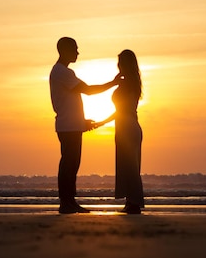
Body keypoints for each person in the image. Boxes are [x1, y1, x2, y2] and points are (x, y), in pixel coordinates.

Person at [49, 37, 121, 214]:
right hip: (68, 126)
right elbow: (87, 90)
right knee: (69, 163)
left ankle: (69, 201)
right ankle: (66, 202)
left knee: (72, 163)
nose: (78, 52)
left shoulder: (62, 72)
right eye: (75, 49)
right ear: (65, 50)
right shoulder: (62, 72)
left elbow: (71, 101)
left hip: (71, 124)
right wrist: (113, 83)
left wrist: (81, 122)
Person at [95, 49, 145, 214]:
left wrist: (101, 122)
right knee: (127, 165)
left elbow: (122, 111)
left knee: (130, 166)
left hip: (127, 126)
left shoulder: (128, 84)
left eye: (120, 63)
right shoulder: (131, 83)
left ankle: (134, 202)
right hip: (126, 126)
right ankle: (131, 201)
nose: (118, 66)